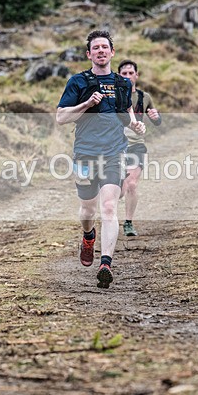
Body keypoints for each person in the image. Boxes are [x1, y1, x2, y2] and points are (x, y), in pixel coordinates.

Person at [56, 31, 145, 289]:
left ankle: (106, 263)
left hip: (114, 153)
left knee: (108, 207)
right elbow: (61, 117)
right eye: (96, 48)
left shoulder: (122, 84)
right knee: (88, 210)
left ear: (112, 52)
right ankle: (88, 236)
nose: (101, 51)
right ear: (89, 54)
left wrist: (136, 125)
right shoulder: (78, 82)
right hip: (85, 153)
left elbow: (124, 114)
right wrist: (85, 104)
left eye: (105, 47)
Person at [117, 60, 162, 237]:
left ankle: (128, 223)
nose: (128, 76)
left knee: (132, 184)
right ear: (119, 76)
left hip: (137, 146)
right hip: (116, 146)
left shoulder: (145, 97)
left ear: (137, 75)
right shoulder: (114, 97)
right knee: (119, 189)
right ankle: (109, 218)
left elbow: (157, 121)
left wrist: (156, 116)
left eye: (130, 73)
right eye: (124, 74)